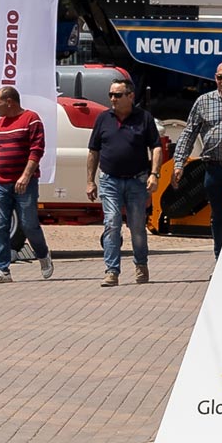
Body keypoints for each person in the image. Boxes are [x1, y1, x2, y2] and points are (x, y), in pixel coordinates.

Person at [84, 72, 161, 286]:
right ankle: (111, 271)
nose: (113, 99)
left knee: (137, 227)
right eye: (111, 95)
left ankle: (141, 265)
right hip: (110, 180)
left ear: (130, 96)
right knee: (111, 224)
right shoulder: (103, 119)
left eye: (118, 95)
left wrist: (154, 174)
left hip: (137, 181)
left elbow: (155, 146)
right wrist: (90, 180)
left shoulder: (144, 118)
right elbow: (93, 151)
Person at [170, 60, 222, 254]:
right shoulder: (203, 102)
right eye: (219, 77)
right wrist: (179, 163)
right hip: (214, 168)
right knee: (218, 216)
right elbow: (189, 133)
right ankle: (221, 257)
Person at [0, 84, 52, 284]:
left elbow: (37, 150)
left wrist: (25, 176)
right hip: (0, 183)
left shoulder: (31, 119)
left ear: (9, 102)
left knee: (29, 225)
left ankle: (42, 254)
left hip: (25, 183)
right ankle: (3, 270)